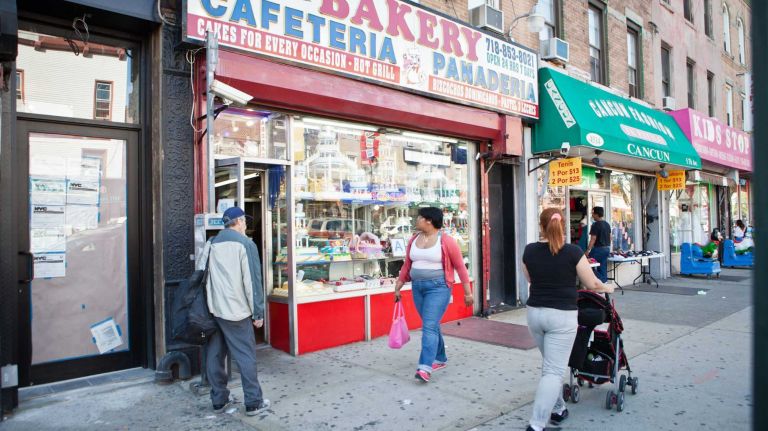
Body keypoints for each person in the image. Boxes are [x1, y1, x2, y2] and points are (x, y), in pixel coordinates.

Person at [523, 208, 615, 431]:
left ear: (541, 226)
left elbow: (529, 279)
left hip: (535, 314)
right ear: (563, 226)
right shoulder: (573, 252)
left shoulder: (529, 251)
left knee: (549, 367)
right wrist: (608, 286)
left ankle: (558, 408)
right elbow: (592, 284)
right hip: (561, 317)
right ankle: (536, 425)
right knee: (553, 371)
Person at [201, 207, 270, 416]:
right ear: (239, 222)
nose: (246, 225)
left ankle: (219, 400)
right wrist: (258, 313)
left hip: (215, 310)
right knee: (245, 356)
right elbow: (252, 282)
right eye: (245, 221)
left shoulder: (211, 243)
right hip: (237, 311)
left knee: (214, 355)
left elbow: (201, 276)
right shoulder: (246, 244)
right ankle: (253, 402)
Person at [394, 207, 473, 383]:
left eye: (419, 217)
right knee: (431, 324)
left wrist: (468, 293)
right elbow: (407, 265)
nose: (417, 220)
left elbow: (460, 267)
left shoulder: (446, 241)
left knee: (428, 326)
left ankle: (424, 367)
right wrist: (398, 286)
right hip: (418, 287)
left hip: (438, 288)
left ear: (429, 220)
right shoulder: (414, 239)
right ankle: (441, 357)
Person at [586, 206, 612, 282]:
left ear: (597, 214)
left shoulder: (595, 225)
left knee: (588, 265)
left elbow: (593, 239)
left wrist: (588, 250)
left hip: (598, 249)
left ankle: (597, 281)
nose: (592, 215)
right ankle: (603, 283)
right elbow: (610, 238)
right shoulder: (607, 224)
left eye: (593, 214)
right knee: (602, 267)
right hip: (606, 248)